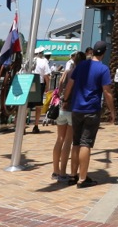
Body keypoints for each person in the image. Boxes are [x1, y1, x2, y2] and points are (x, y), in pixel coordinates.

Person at [62, 41, 115, 189]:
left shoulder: (81, 66)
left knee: (76, 142)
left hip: (76, 109)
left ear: (92, 51)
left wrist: (65, 100)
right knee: (86, 143)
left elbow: (70, 85)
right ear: (103, 53)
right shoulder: (103, 69)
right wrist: (112, 111)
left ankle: (73, 175)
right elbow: (107, 92)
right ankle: (83, 179)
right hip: (91, 110)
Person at [50, 51, 84, 185]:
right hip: (72, 109)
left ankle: (55, 170)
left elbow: (59, 88)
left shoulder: (66, 72)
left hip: (61, 108)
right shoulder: (80, 74)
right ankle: (63, 172)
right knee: (68, 141)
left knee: (59, 139)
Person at [32, 49, 51, 133]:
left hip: (29, 81)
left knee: (26, 105)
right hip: (39, 83)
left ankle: (22, 125)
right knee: (38, 105)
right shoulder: (44, 61)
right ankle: (36, 125)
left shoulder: (30, 60)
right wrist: (48, 86)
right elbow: (46, 75)